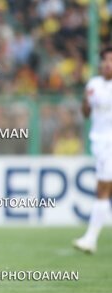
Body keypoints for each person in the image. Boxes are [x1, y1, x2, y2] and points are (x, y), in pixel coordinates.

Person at [73, 46, 112, 254]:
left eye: (111, 61)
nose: (108, 64)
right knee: (104, 189)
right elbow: (86, 113)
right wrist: (86, 99)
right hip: (99, 142)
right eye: (105, 60)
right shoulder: (94, 84)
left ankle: (90, 238)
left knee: (103, 189)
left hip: (110, 142)